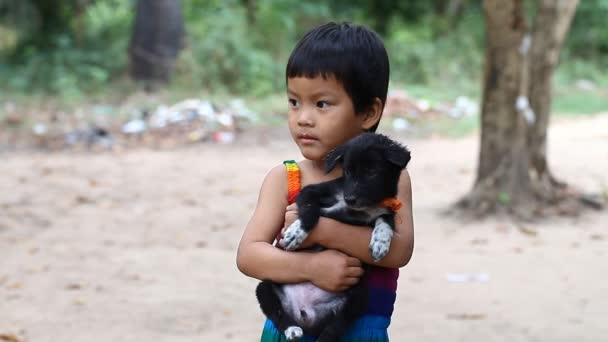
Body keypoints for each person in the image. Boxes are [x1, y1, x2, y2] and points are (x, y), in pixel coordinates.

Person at [236, 22, 414, 341]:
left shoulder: (390, 177)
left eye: (322, 104)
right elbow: (249, 255)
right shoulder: (286, 179)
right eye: (294, 102)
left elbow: (398, 251)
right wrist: (312, 267)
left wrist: (321, 230)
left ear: (368, 113)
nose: (303, 117)